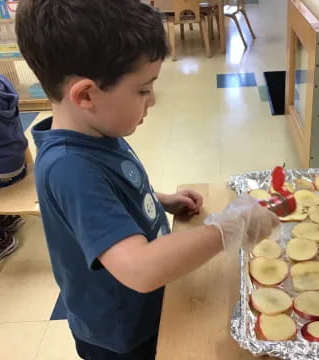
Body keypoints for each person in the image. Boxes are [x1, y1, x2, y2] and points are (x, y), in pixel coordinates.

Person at [15, 1, 279, 359]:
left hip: (148, 307)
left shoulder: (93, 132)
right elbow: (140, 269)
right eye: (143, 90)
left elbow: (110, 196)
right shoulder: (70, 169)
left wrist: (160, 199)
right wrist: (227, 228)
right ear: (86, 95)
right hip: (122, 335)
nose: (152, 100)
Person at [0, 74, 28, 261]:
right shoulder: (2, 81)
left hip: (0, 173)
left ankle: (0, 241)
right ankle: (6, 217)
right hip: (17, 164)